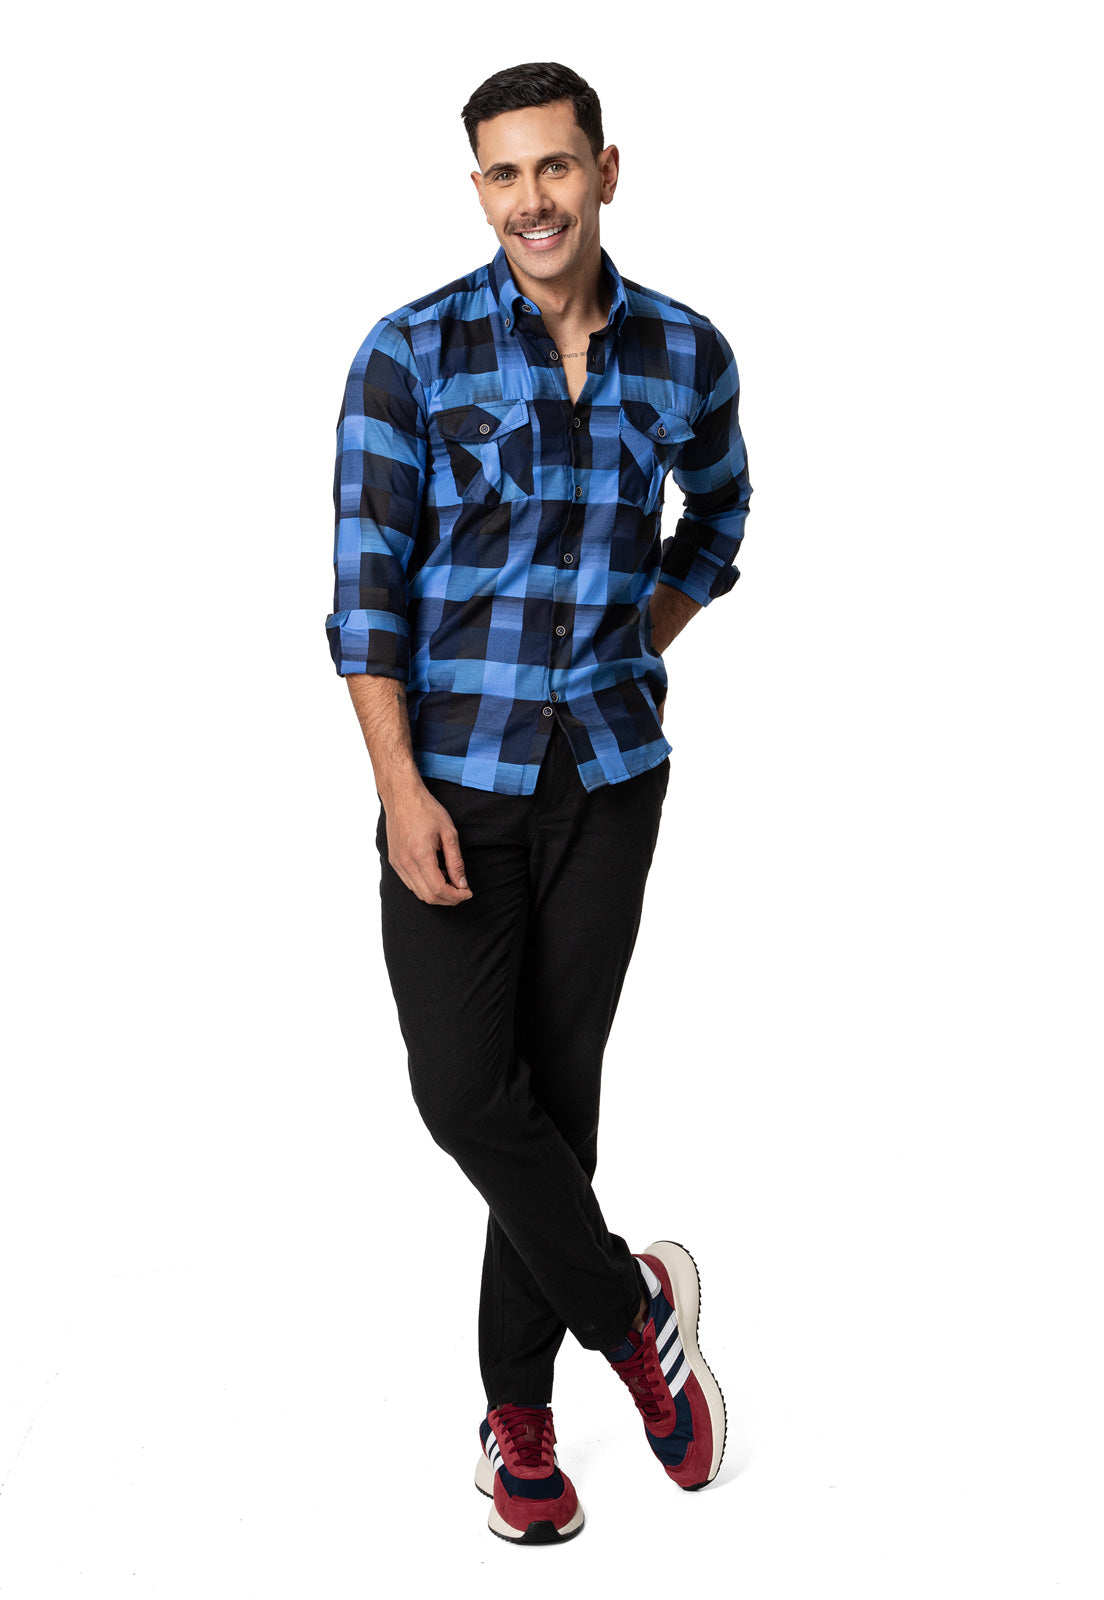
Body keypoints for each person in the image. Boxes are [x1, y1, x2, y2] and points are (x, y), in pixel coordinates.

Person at [325, 61, 752, 1545]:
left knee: (557, 1100)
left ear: (605, 171)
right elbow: (365, 592)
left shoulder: (684, 352)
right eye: (504, 175)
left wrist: (645, 637)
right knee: (465, 1095)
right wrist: (397, 788)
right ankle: (632, 1314)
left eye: (555, 167)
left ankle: (520, 1429)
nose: (533, 201)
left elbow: (722, 513)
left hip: (612, 779)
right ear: (479, 189)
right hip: (454, 781)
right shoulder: (409, 353)